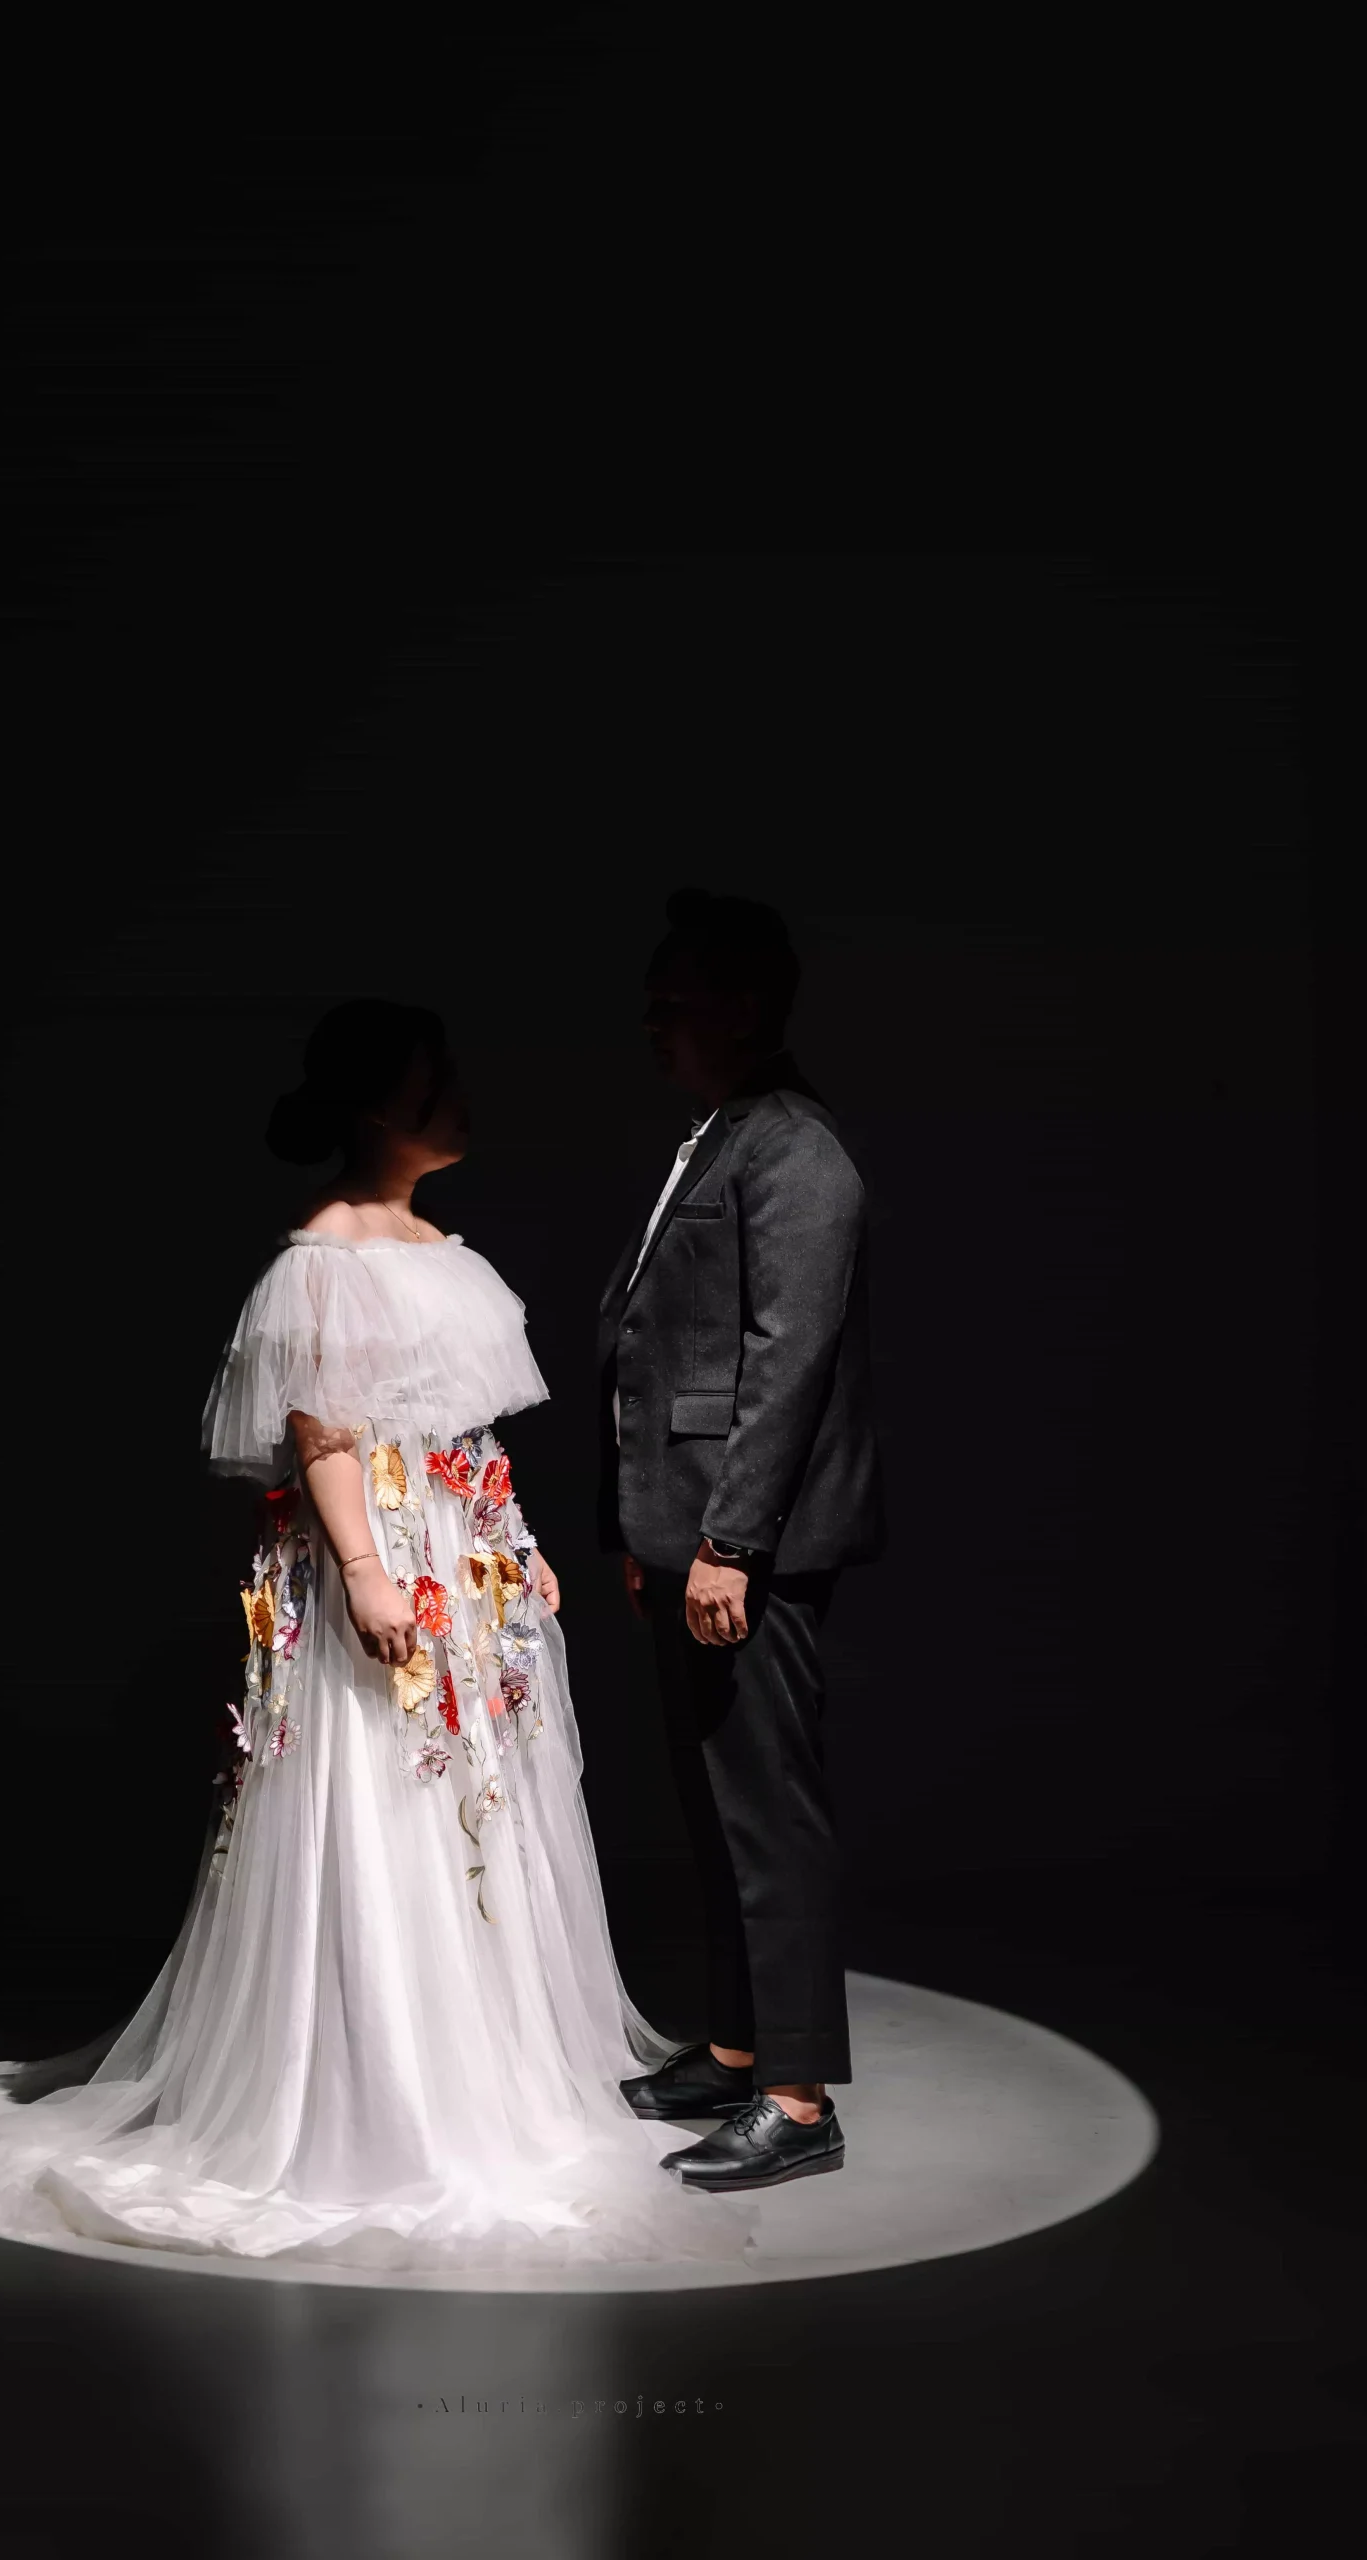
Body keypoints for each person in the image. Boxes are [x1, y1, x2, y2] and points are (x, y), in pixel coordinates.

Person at [0, 999, 753, 2273]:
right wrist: (364, 1570)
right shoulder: (322, 1257)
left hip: (456, 1552)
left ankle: (480, 2063)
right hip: (378, 1555)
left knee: (473, 1796)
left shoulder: (441, 1248)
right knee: (376, 1792)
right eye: (436, 1080)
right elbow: (323, 1429)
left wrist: (515, 1544)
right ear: (381, 1106)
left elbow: (461, 1428)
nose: (463, 1098)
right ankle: (374, 2089)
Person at [598, 889, 884, 2191]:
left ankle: (797, 2100)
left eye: (675, 1003)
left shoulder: (797, 1151)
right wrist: (647, 1527)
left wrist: (729, 1541)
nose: (652, 1024)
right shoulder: (723, 1136)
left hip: (742, 1541)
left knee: (770, 1819)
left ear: (747, 1008)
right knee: (717, 1813)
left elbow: (788, 1360)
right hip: (688, 1531)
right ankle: (731, 2051)